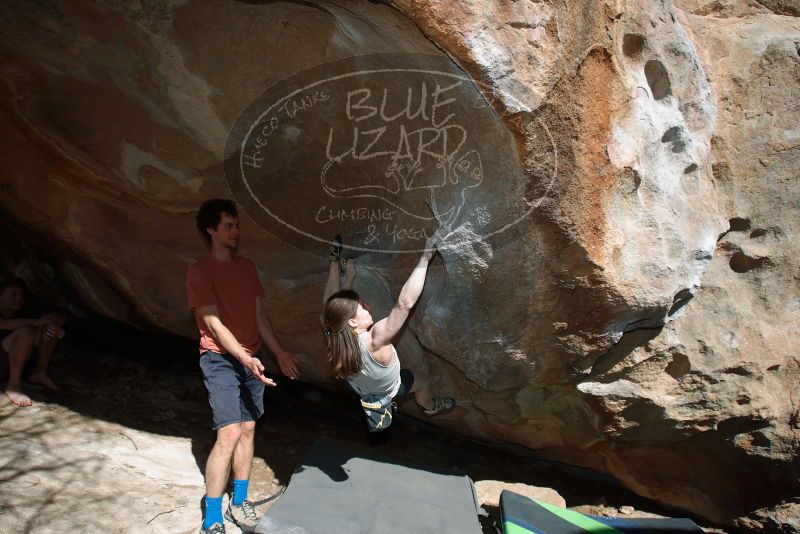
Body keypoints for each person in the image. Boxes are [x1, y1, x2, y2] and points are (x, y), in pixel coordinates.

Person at [187, 198, 300, 534]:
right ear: (211, 230)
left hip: (251, 357)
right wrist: (243, 357)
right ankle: (212, 513)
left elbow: (258, 315)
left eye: (237, 226)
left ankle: (239, 501)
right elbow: (213, 323)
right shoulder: (199, 271)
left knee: (249, 429)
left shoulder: (247, 267)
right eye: (229, 226)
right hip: (219, 358)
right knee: (230, 432)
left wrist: (277, 352)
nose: (236, 232)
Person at [321, 234, 455, 429]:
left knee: (328, 309)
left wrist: (349, 278)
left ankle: (333, 263)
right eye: (362, 307)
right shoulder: (375, 339)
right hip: (389, 389)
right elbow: (404, 304)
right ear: (351, 321)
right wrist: (425, 259)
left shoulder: (334, 335)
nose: (368, 306)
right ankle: (430, 406)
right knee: (422, 381)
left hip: (361, 387)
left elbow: (334, 309)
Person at [0, 275, 66, 407]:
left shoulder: (24, 309)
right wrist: (40, 322)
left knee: (49, 326)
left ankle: (39, 373)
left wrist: (48, 326)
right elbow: (5, 324)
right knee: (26, 331)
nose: (19, 299)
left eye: (21, 295)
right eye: (13, 295)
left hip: (20, 362)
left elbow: (59, 316)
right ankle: (13, 386)